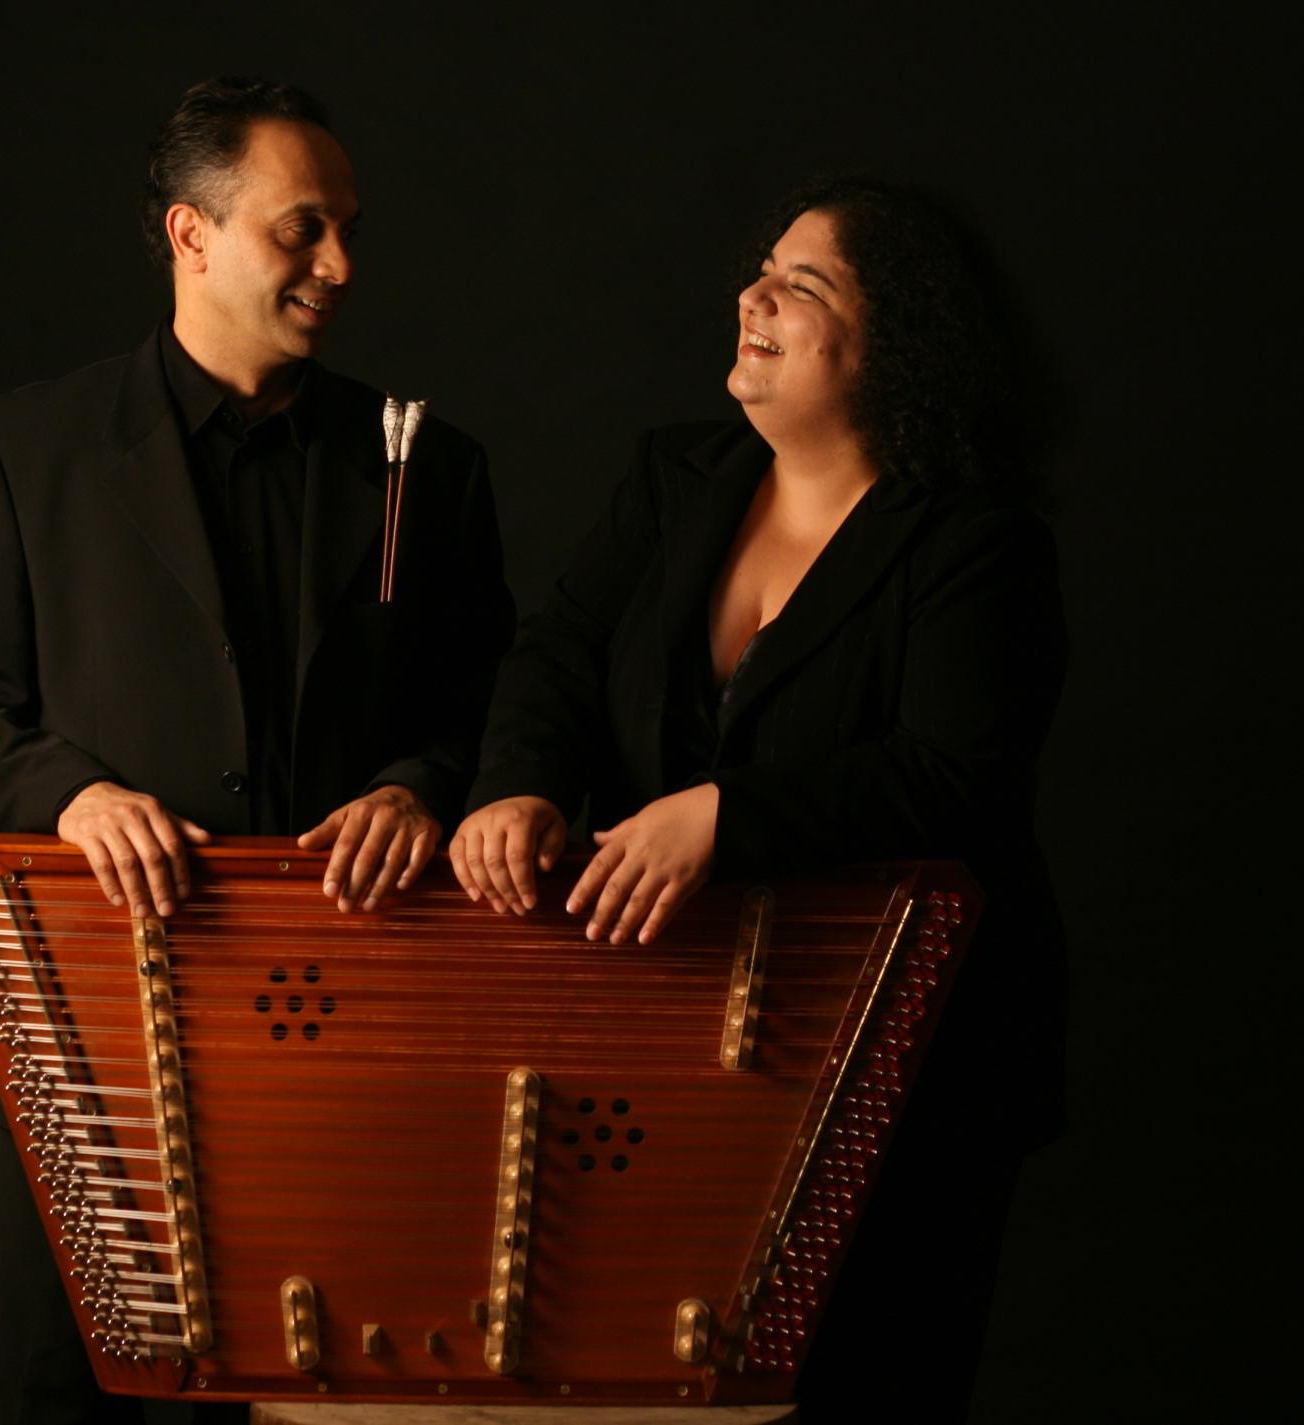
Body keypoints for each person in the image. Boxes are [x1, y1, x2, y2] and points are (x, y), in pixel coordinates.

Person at [0, 78, 513, 1425]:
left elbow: (497, 707)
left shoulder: (430, 466)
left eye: (346, 230)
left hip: (361, 1045)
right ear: (191, 234)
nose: (340, 266)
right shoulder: (26, 448)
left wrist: (418, 786)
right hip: (109, 1046)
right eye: (303, 230)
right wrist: (73, 793)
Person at [449, 178, 1067, 1419]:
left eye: (804, 284)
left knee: (863, 1389)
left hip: (907, 1053)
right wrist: (517, 788)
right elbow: (560, 655)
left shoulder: (974, 540)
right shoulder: (676, 476)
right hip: (689, 1031)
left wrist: (722, 816)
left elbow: (953, 773)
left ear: (893, 343)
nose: (754, 297)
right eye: (762, 269)